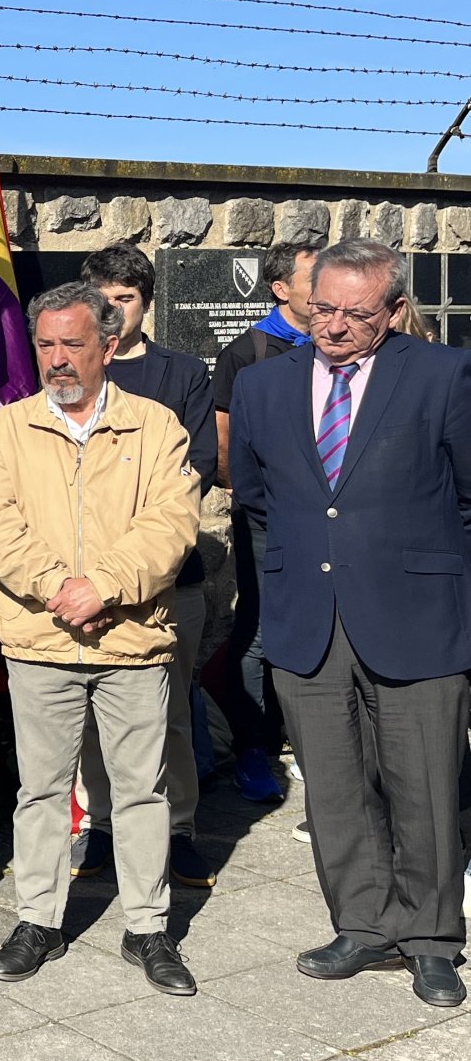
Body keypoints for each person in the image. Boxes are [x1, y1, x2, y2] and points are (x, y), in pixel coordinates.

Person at [230, 239, 471, 1009]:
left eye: (355, 313)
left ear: (395, 310)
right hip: (307, 615)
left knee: (425, 782)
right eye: (322, 307)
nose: (333, 325)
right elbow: (258, 495)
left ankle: (432, 938)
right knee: (333, 784)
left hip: (417, 616)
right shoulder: (265, 385)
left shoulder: (443, 375)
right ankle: (362, 923)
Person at [0, 282, 202, 995]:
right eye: (46, 345)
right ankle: (38, 918)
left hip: (131, 640)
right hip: (40, 641)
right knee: (39, 790)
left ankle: (149, 926)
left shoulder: (156, 427)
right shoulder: (3, 430)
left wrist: (104, 584)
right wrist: (61, 590)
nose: (58, 358)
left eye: (74, 343)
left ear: (108, 345)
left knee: (140, 790)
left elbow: (172, 525)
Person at [73, 245, 218, 890]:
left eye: (125, 298)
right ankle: (101, 827)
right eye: (102, 297)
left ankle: (180, 829)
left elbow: (195, 470)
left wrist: (132, 545)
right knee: (89, 715)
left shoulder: (179, 372)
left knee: (170, 712)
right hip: (81, 584)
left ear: (145, 302)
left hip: (164, 579)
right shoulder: (69, 370)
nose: (112, 309)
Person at [212, 241, 319, 803]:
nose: (323, 286)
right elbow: (225, 447)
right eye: (312, 277)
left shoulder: (333, 344)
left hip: (325, 517)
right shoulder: (250, 352)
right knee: (256, 628)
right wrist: (260, 501)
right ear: (282, 289)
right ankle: (256, 745)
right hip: (267, 517)